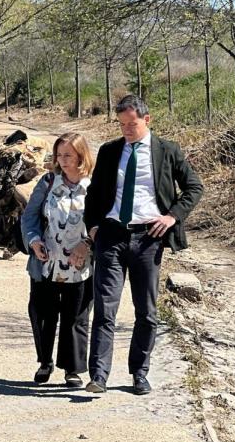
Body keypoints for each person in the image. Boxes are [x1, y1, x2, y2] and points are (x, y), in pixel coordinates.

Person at [84, 94, 203, 395]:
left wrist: (172, 217)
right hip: (111, 235)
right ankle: (98, 376)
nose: (126, 129)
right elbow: (94, 194)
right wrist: (94, 227)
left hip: (148, 238)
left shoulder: (168, 151)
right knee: (105, 309)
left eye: (132, 124)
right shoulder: (110, 151)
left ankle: (139, 372)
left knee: (146, 311)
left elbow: (193, 187)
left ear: (146, 120)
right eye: (122, 124)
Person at [20, 132, 96, 388]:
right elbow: (29, 217)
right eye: (59, 155)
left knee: (75, 317)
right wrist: (33, 242)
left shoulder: (94, 185)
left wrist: (87, 245)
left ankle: (71, 369)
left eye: (68, 155)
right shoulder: (48, 182)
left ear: (81, 155)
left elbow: (104, 222)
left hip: (80, 263)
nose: (63, 161)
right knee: (43, 313)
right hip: (47, 260)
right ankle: (45, 362)